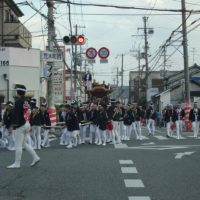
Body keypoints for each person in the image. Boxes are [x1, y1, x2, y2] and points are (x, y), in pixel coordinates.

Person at [7, 84, 40, 169]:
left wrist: (11, 126)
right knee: (24, 143)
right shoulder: (27, 102)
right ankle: (35, 157)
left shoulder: (18, 102)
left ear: (17, 92)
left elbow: (16, 115)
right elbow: (29, 113)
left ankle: (17, 163)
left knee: (18, 145)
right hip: (27, 123)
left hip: (21, 125)